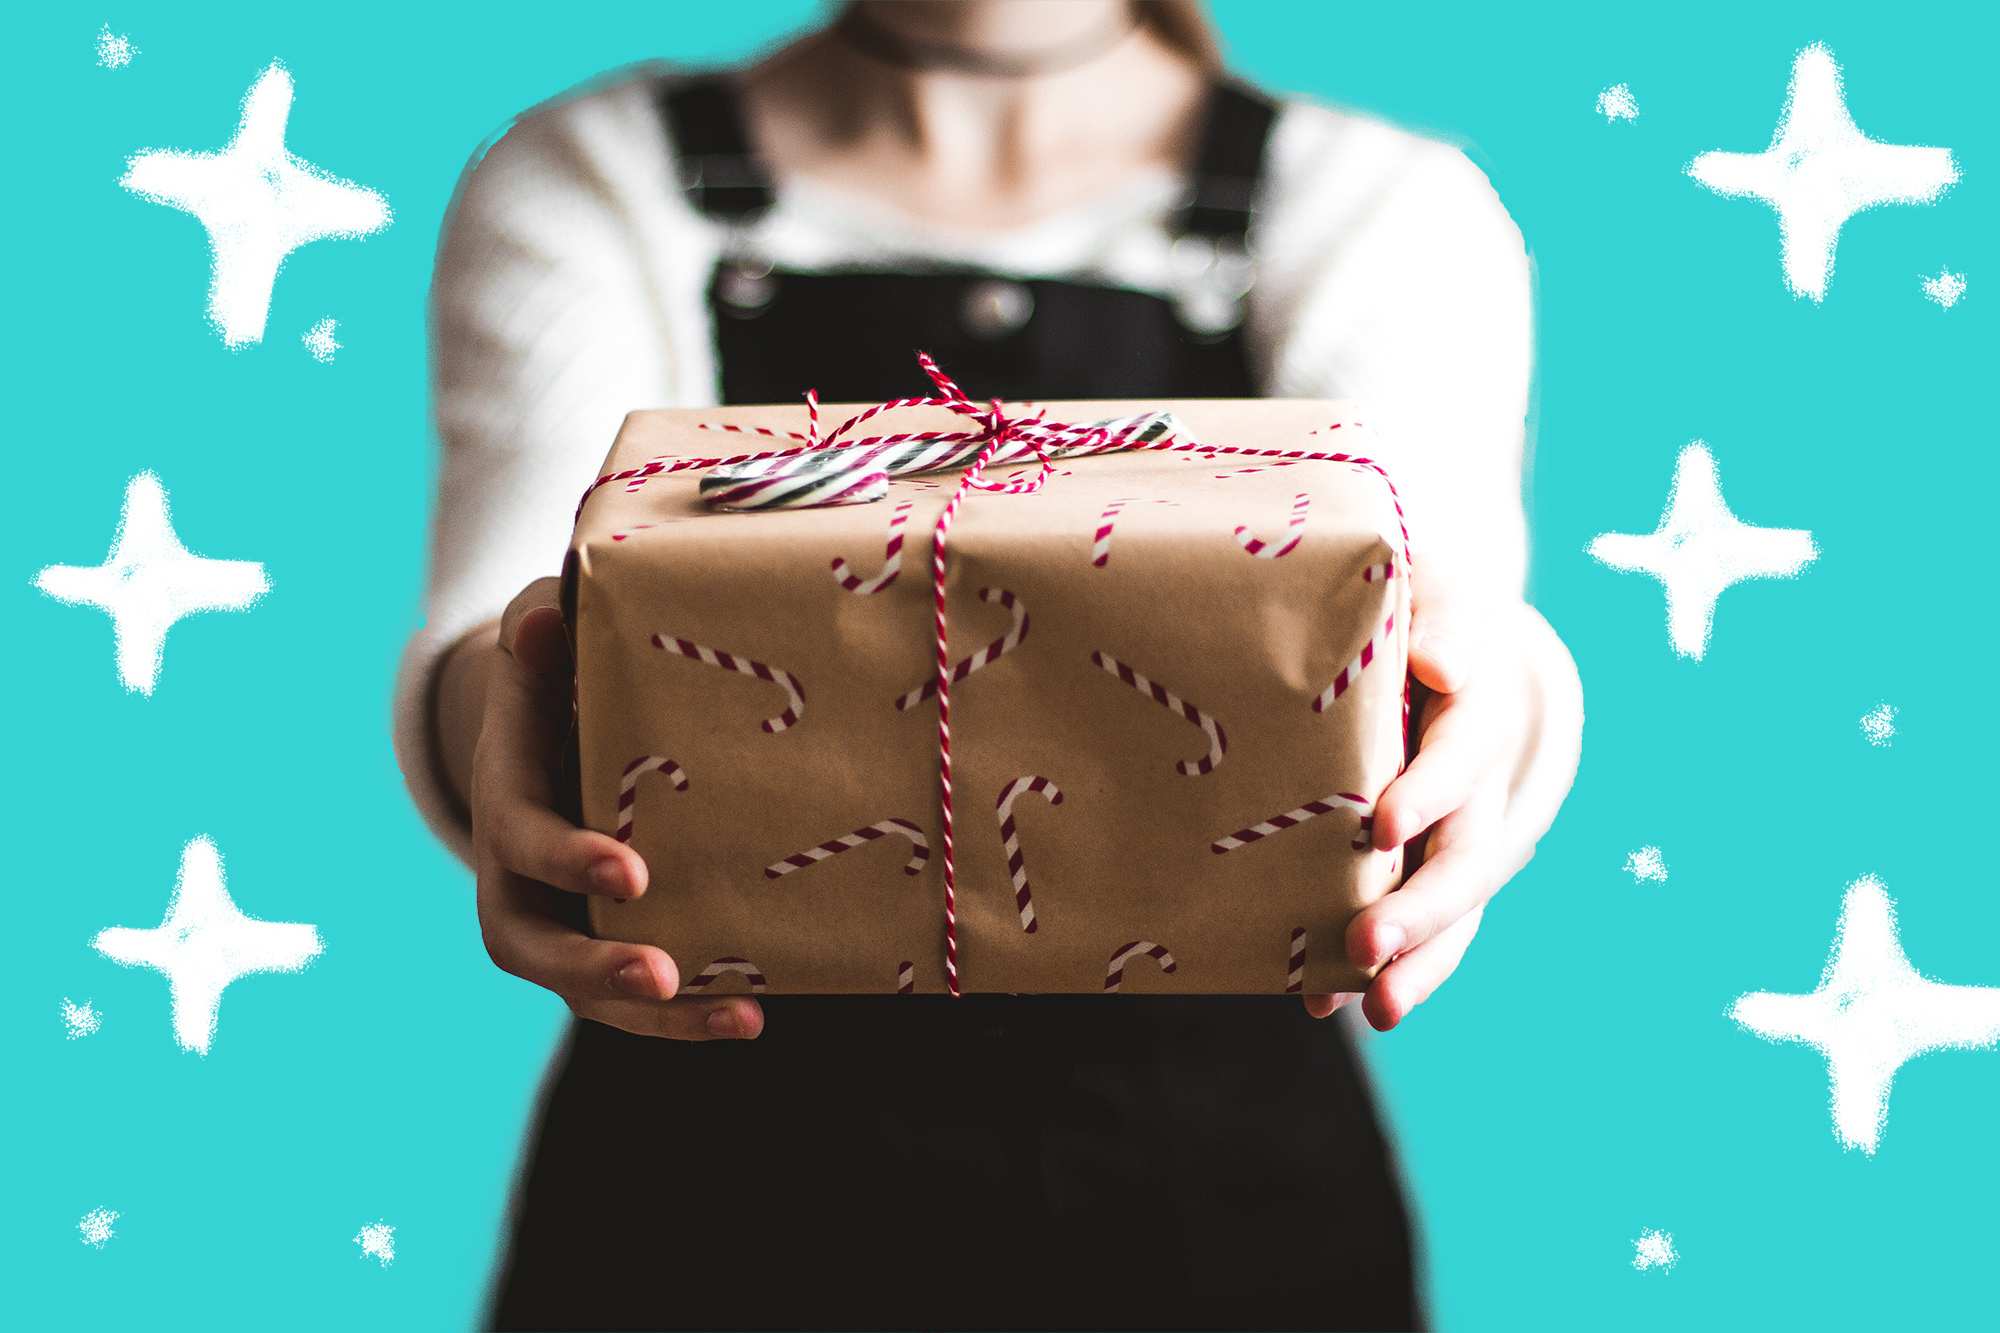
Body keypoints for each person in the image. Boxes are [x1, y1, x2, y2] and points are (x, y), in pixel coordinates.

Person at [395, 2, 1583, 1327]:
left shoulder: (1377, 206)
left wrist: (1514, 707)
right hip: (704, 1219)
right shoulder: (595, 177)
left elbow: (1443, 611)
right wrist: (502, 736)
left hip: (1227, 1223)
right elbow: (509, 615)